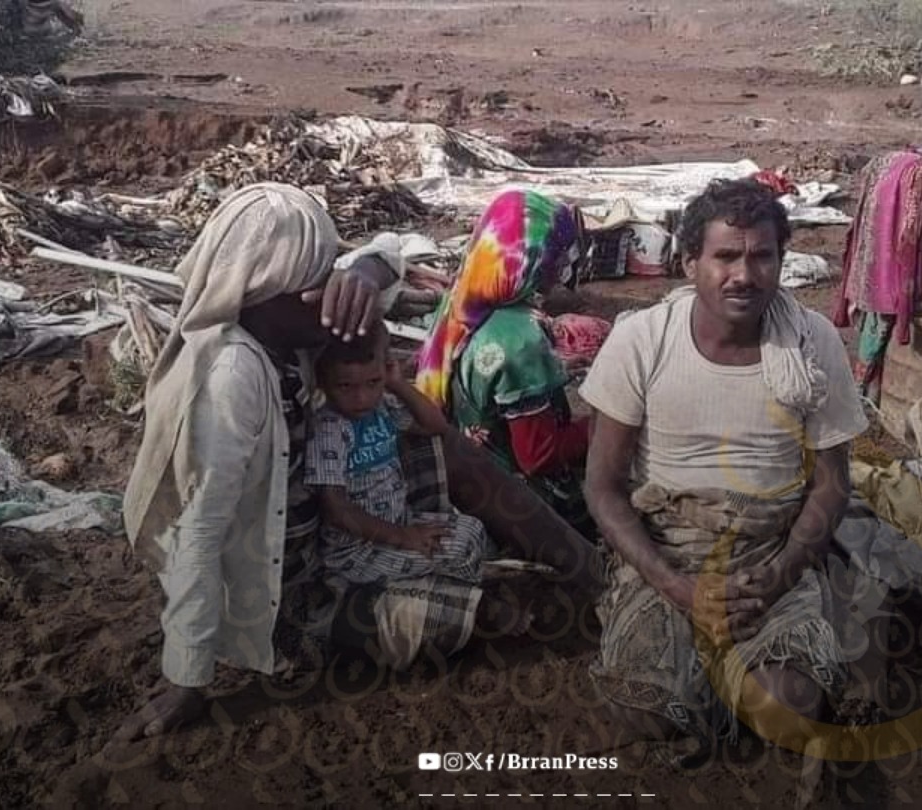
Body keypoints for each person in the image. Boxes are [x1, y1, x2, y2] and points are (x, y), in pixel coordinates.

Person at [116, 183, 600, 741]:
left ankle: (591, 572)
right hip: (293, 596)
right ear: (275, 291)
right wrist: (187, 676)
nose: (331, 293)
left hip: (340, 534)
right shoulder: (232, 379)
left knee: (448, 450)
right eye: (319, 281)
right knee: (467, 618)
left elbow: (386, 254)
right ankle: (535, 589)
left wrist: (366, 273)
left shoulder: (282, 330)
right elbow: (198, 533)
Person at [580, 178, 869, 754]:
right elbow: (603, 488)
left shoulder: (811, 345)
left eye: (763, 256)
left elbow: (831, 485)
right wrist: (676, 586)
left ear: (781, 262)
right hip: (667, 554)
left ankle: (739, 677)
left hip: (768, 554)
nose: (745, 274)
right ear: (690, 262)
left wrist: (781, 574)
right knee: (645, 709)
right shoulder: (642, 340)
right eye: (726, 256)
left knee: (788, 710)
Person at [307, 325, 533, 634]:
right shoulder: (329, 428)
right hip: (356, 551)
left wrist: (398, 384)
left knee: (473, 530)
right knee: (459, 551)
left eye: (373, 383)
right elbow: (336, 508)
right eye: (346, 387)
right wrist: (404, 536)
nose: (361, 398)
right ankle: (471, 611)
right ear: (323, 382)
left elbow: (435, 425)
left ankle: (465, 592)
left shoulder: (381, 408)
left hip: (399, 521)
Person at [416, 189, 596, 535]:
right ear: (528, 257)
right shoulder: (521, 339)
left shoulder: (462, 303)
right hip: (520, 501)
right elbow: (538, 457)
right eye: (555, 255)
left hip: (470, 478)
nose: (560, 268)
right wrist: (602, 425)